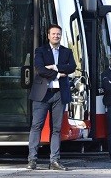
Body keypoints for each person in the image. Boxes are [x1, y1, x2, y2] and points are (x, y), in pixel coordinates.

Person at [27, 24, 76, 171]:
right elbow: (40, 69)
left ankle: (54, 161)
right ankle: (32, 160)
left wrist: (54, 67)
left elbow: (72, 67)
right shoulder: (40, 51)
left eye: (58, 34)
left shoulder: (67, 52)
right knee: (36, 126)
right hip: (42, 94)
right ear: (48, 35)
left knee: (57, 129)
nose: (56, 36)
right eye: (53, 34)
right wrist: (58, 74)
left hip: (59, 94)